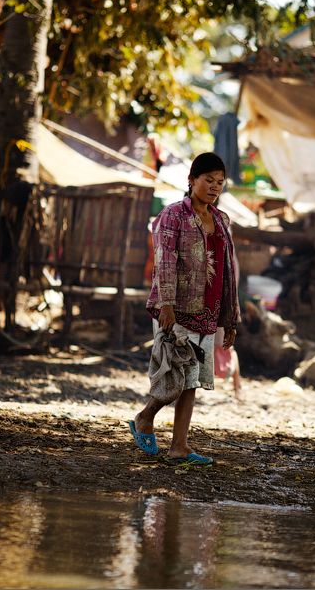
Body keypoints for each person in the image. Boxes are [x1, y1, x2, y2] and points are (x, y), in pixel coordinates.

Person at [129, 152, 240, 465]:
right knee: (176, 374)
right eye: (208, 180)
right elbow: (164, 261)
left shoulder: (221, 220)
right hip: (175, 309)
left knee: (191, 381)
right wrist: (166, 304)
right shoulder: (173, 215)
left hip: (208, 310)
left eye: (220, 182)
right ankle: (144, 418)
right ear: (191, 180)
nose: (214, 187)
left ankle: (179, 446)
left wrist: (229, 318)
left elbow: (228, 270)